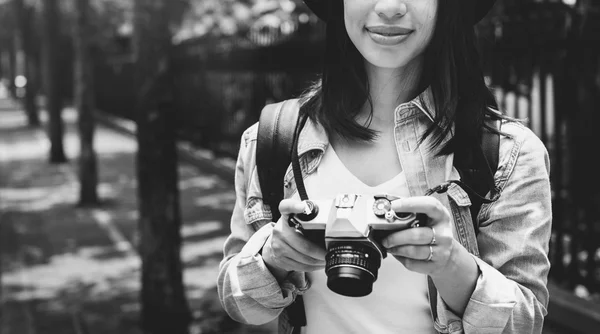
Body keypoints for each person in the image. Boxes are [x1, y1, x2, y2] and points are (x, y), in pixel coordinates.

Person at [217, 0, 552, 333]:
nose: (390, 6)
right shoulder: (273, 138)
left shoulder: (508, 153)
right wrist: (273, 259)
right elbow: (240, 305)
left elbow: (525, 323)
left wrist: (452, 264)